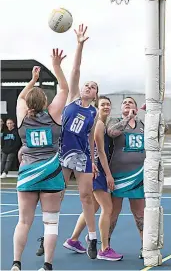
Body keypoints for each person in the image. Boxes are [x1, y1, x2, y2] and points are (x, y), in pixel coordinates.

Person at [36, 24, 99, 260]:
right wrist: (80, 44)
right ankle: (46, 234)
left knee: (86, 197)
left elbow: (91, 139)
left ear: (95, 94)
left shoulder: (93, 114)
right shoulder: (72, 98)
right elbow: (75, 69)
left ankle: (92, 238)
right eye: (87, 84)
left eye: (92, 87)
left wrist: (93, 163)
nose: (88, 87)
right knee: (57, 194)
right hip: (63, 154)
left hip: (82, 157)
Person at [11, 48, 69, 271]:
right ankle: (47, 266)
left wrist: (32, 80)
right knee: (51, 223)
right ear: (45, 101)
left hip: (28, 173)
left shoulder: (22, 117)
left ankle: (16, 263)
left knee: (24, 221)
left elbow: (20, 97)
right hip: (51, 174)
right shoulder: (53, 116)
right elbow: (64, 88)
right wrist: (55, 66)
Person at [63, 96, 123, 261]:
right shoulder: (98, 123)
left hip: (97, 169)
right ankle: (104, 248)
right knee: (107, 208)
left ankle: (73, 239)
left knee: (93, 208)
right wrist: (107, 174)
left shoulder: (103, 124)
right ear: (96, 106)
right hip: (97, 171)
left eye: (108, 104)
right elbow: (100, 152)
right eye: (102, 104)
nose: (106, 107)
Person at [106, 97, 145, 259]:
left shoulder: (143, 125)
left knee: (140, 212)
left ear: (136, 107)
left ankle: (145, 245)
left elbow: (160, 131)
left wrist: (150, 112)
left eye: (131, 102)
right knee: (114, 211)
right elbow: (112, 133)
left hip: (138, 175)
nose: (128, 104)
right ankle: (105, 244)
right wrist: (128, 117)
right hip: (118, 175)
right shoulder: (114, 121)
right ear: (121, 108)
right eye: (125, 103)